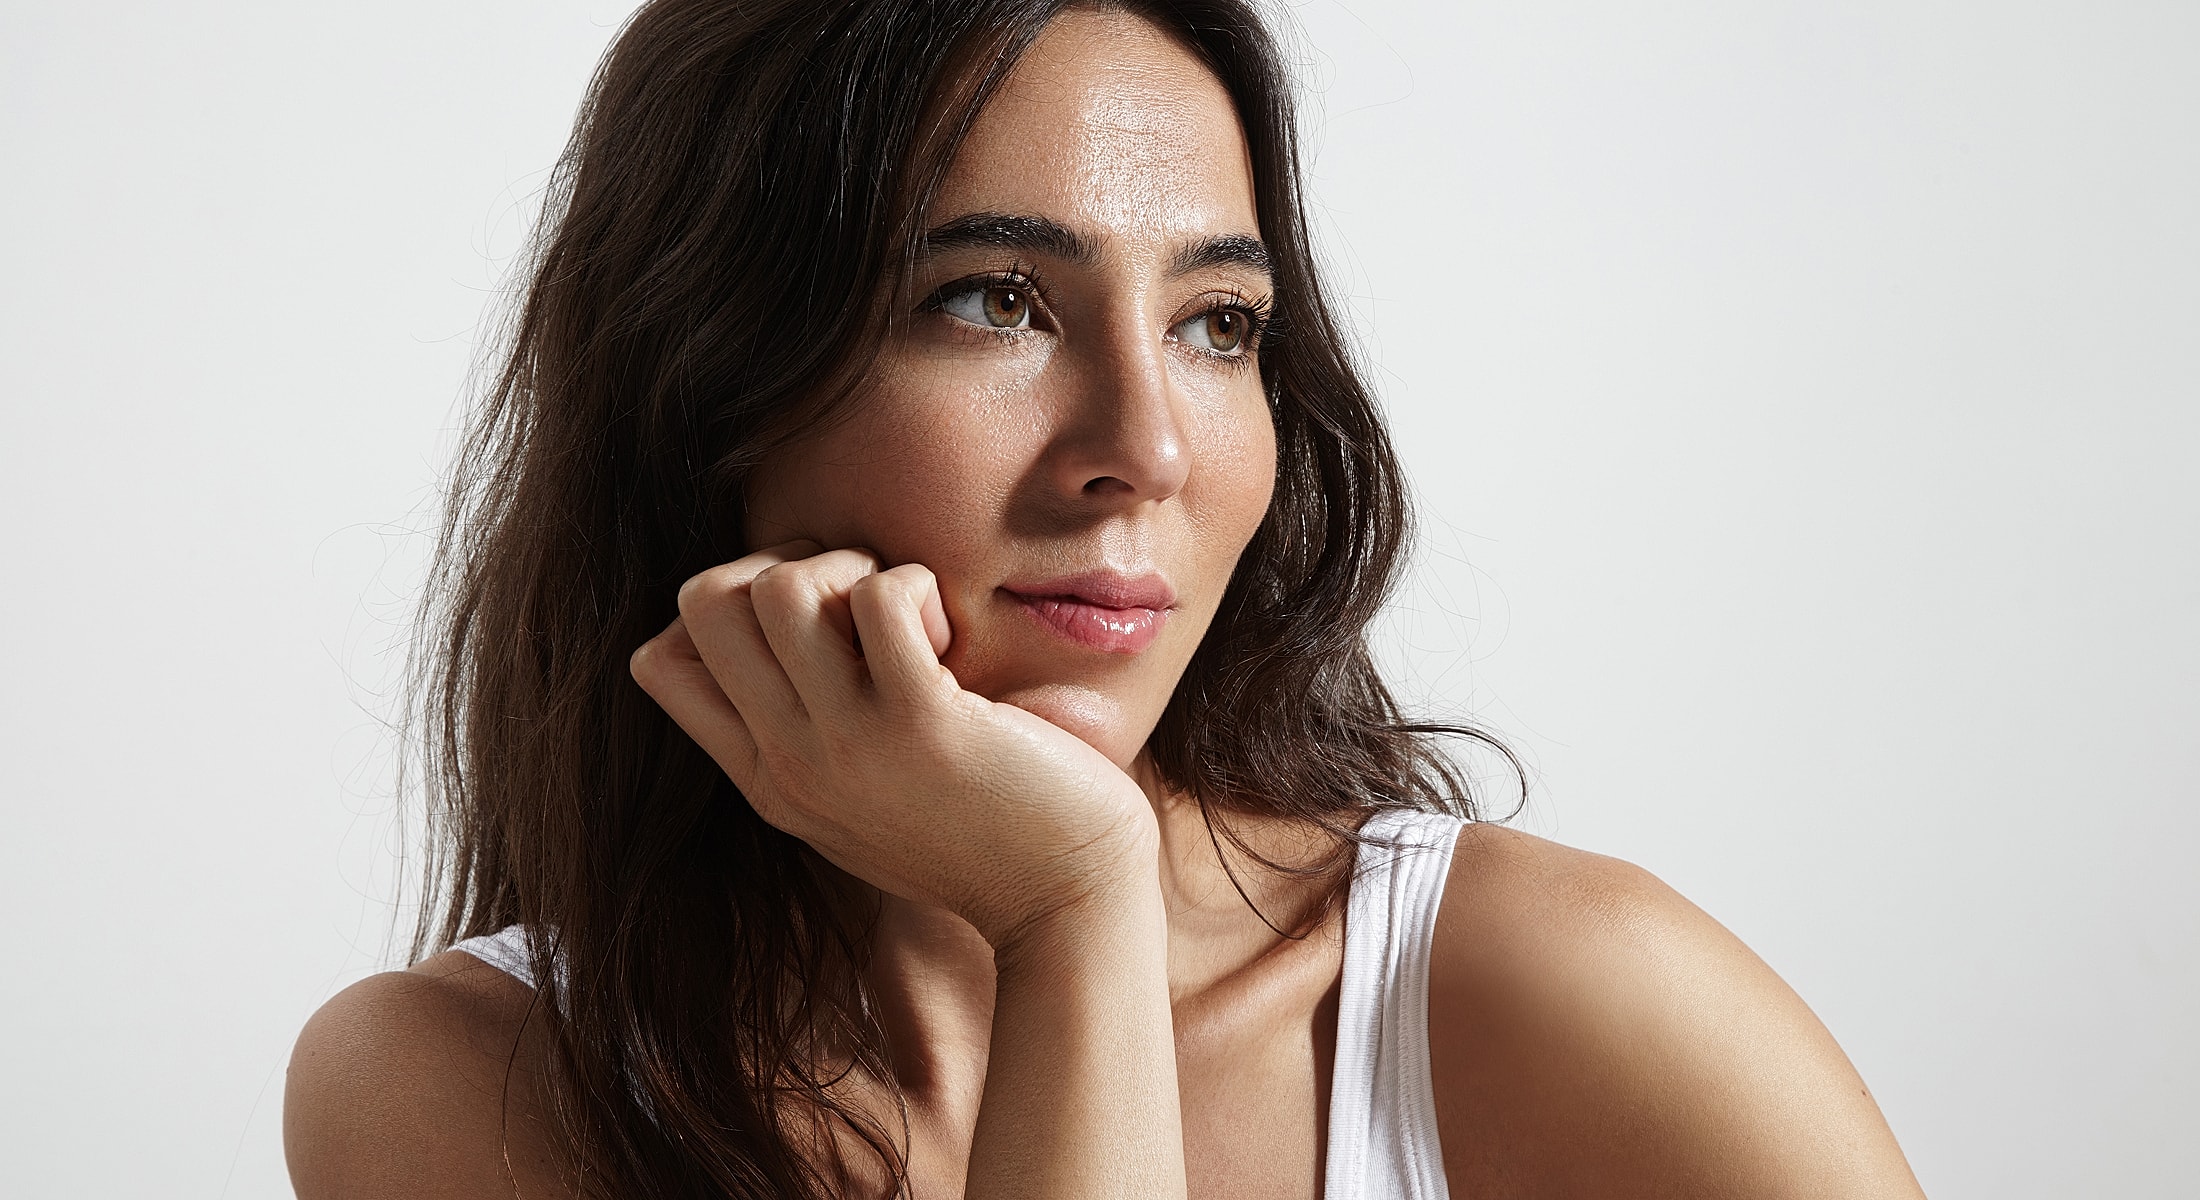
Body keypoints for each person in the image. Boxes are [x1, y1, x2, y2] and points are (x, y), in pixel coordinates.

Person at [283, 2, 1928, 1197]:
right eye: (995, 301)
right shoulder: (468, 1090)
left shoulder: (1554, 999)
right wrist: (1072, 915)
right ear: (705, 383)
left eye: (1220, 324)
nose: (1144, 445)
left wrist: (1070, 908)